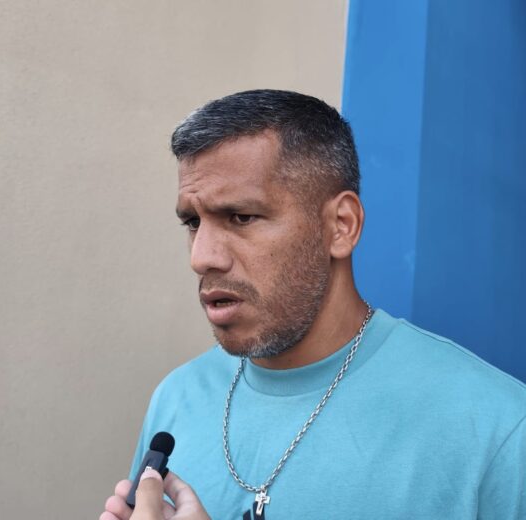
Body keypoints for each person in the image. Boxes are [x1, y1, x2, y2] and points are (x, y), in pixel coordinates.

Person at [100, 90, 526, 520]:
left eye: (241, 217)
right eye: (193, 222)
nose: (201, 257)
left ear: (341, 226)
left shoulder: (496, 428)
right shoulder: (177, 397)